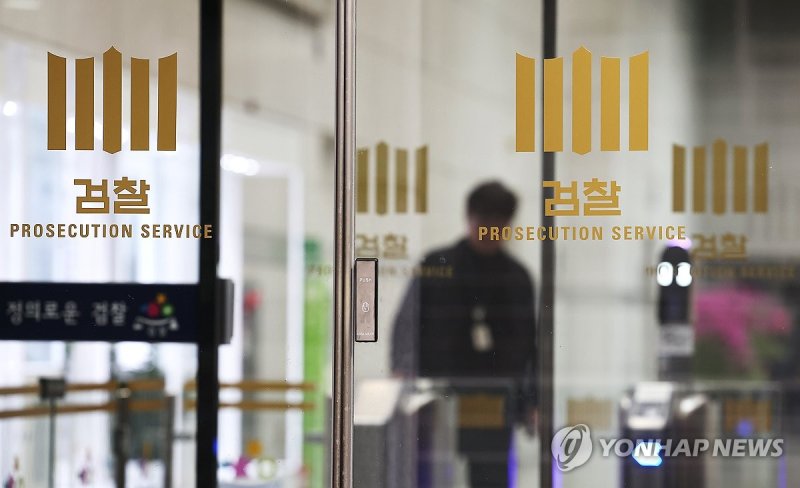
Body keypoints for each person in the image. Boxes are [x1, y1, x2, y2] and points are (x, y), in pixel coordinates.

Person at [391, 181, 537, 488]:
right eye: (485, 223)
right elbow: (406, 326)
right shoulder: (437, 265)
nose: (490, 232)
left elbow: (530, 346)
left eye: (499, 225)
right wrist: (402, 378)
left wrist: (531, 401)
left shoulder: (517, 278)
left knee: (491, 479)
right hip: (438, 398)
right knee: (429, 476)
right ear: (469, 218)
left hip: (494, 403)